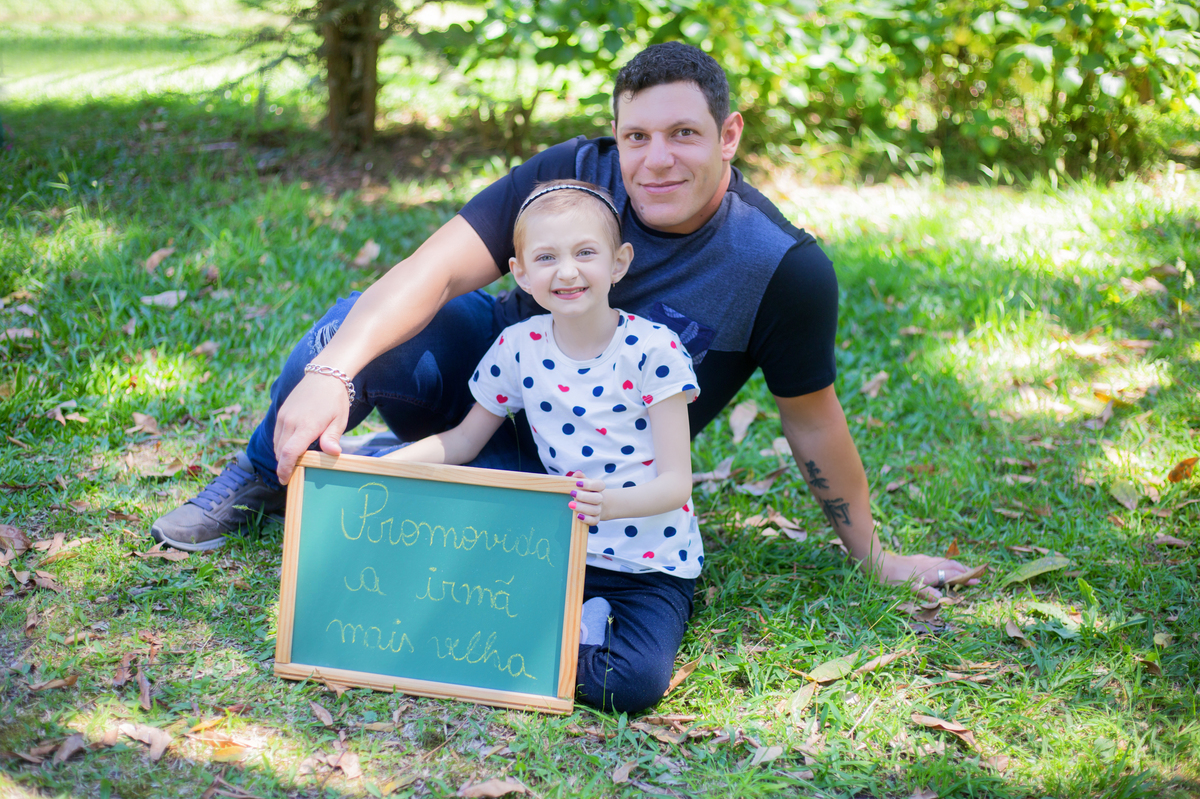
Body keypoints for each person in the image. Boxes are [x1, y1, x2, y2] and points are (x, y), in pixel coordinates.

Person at [151, 41, 975, 664]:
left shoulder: (782, 269)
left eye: (685, 134)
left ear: (729, 135)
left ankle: (395, 471)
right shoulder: (570, 173)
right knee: (351, 332)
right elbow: (433, 270)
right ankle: (266, 474)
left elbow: (813, 422)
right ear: (615, 136)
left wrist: (872, 556)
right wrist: (333, 373)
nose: (657, 160)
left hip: (591, 484)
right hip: (491, 400)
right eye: (637, 136)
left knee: (486, 542)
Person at [379, 179, 701, 710]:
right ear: (521, 273)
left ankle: (582, 630)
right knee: (460, 629)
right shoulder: (519, 346)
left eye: (585, 253)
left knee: (632, 685)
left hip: (651, 562)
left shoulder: (653, 350)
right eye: (546, 257)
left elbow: (675, 484)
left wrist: (611, 503)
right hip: (557, 549)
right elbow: (462, 442)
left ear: (619, 263)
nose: (567, 271)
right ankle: (569, 625)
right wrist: (387, 466)